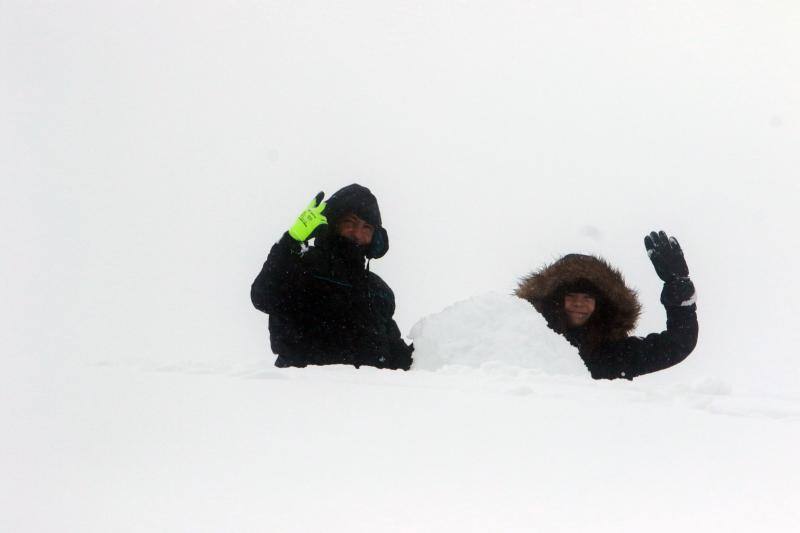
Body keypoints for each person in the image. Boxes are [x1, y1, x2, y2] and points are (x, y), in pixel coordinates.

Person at [251, 184, 413, 370]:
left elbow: (394, 353)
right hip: (304, 392)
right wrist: (291, 241)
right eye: (350, 223)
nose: (357, 234)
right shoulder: (302, 266)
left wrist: (437, 350)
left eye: (366, 227)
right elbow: (263, 296)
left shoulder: (378, 291)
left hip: (368, 395)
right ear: (333, 223)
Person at [515, 231, 698, 380]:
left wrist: (680, 302)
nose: (579, 303)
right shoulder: (524, 340)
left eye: (588, 297)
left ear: (601, 306)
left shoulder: (610, 355)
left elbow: (676, 345)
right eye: (571, 295)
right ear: (554, 300)